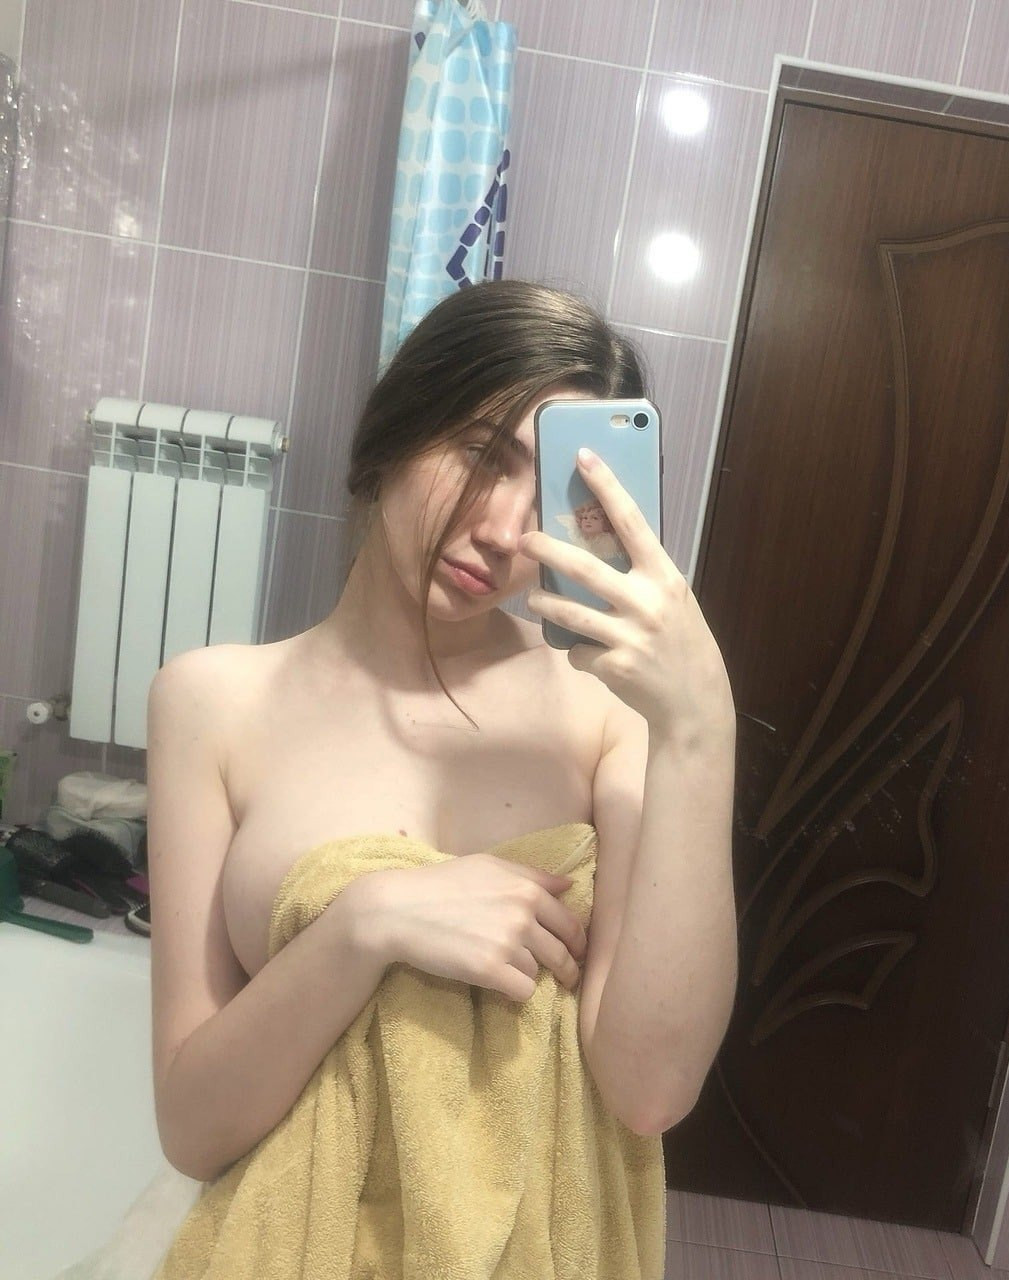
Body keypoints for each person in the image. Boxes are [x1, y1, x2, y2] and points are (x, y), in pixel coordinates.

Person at [55, 279, 738, 1278]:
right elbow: (193, 1131)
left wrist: (702, 728)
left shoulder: (612, 717)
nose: (505, 530)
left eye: (550, 492)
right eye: (480, 453)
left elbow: (650, 1090)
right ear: (394, 428)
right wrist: (363, 926)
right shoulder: (210, 702)